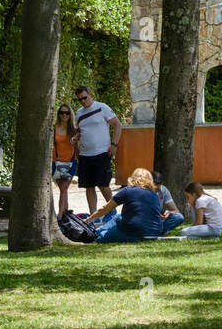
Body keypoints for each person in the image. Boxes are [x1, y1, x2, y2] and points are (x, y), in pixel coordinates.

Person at [73, 84, 122, 215]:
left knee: (103, 185)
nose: (83, 101)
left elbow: (117, 125)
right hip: (84, 154)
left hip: (102, 153)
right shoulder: (78, 113)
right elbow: (80, 131)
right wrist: (76, 138)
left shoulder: (102, 107)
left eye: (84, 98)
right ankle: (93, 217)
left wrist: (114, 144)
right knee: (89, 186)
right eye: (80, 99)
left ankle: (113, 214)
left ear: (90, 94)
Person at [87, 167, 164, 242]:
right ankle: (98, 230)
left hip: (132, 231)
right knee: (118, 217)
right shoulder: (154, 195)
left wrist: (88, 219)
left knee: (100, 237)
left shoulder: (127, 191)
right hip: (155, 232)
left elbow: (105, 209)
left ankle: (96, 232)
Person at [51, 104, 79, 218]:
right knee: (63, 190)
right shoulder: (54, 128)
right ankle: (66, 214)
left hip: (71, 162)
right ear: (58, 114)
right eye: (62, 112)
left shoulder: (75, 129)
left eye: (67, 113)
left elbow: (78, 147)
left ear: (70, 114)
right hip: (56, 162)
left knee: (63, 189)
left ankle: (60, 216)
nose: (64, 115)